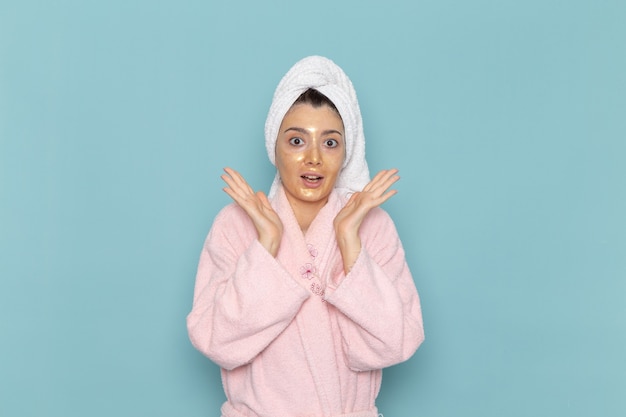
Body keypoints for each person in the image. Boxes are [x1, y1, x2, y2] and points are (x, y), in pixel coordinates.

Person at [187, 56, 424, 417]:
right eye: (297, 140)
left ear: (346, 153)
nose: (313, 158)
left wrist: (349, 241)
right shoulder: (235, 225)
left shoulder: (372, 226)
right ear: (274, 147)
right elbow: (218, 341)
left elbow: (397, 343)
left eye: (330, 143)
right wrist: (265, 246)